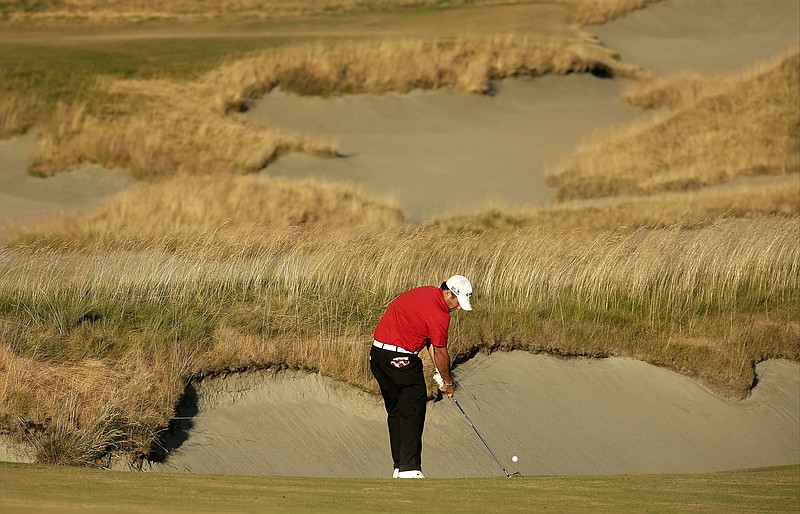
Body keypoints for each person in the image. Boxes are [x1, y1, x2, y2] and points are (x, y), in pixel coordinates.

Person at [369, 274, 473, 479]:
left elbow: (431, 343)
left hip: (378, 357)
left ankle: (399, 466)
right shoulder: (440, 313)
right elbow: (441, 352)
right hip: (400, 358)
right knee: (413, 408)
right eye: (457, 302)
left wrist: (440, 374)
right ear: (447, 292)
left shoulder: (425, 292)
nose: (458, 307)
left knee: (397, 410)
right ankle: (410, 469)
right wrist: (449, 383)